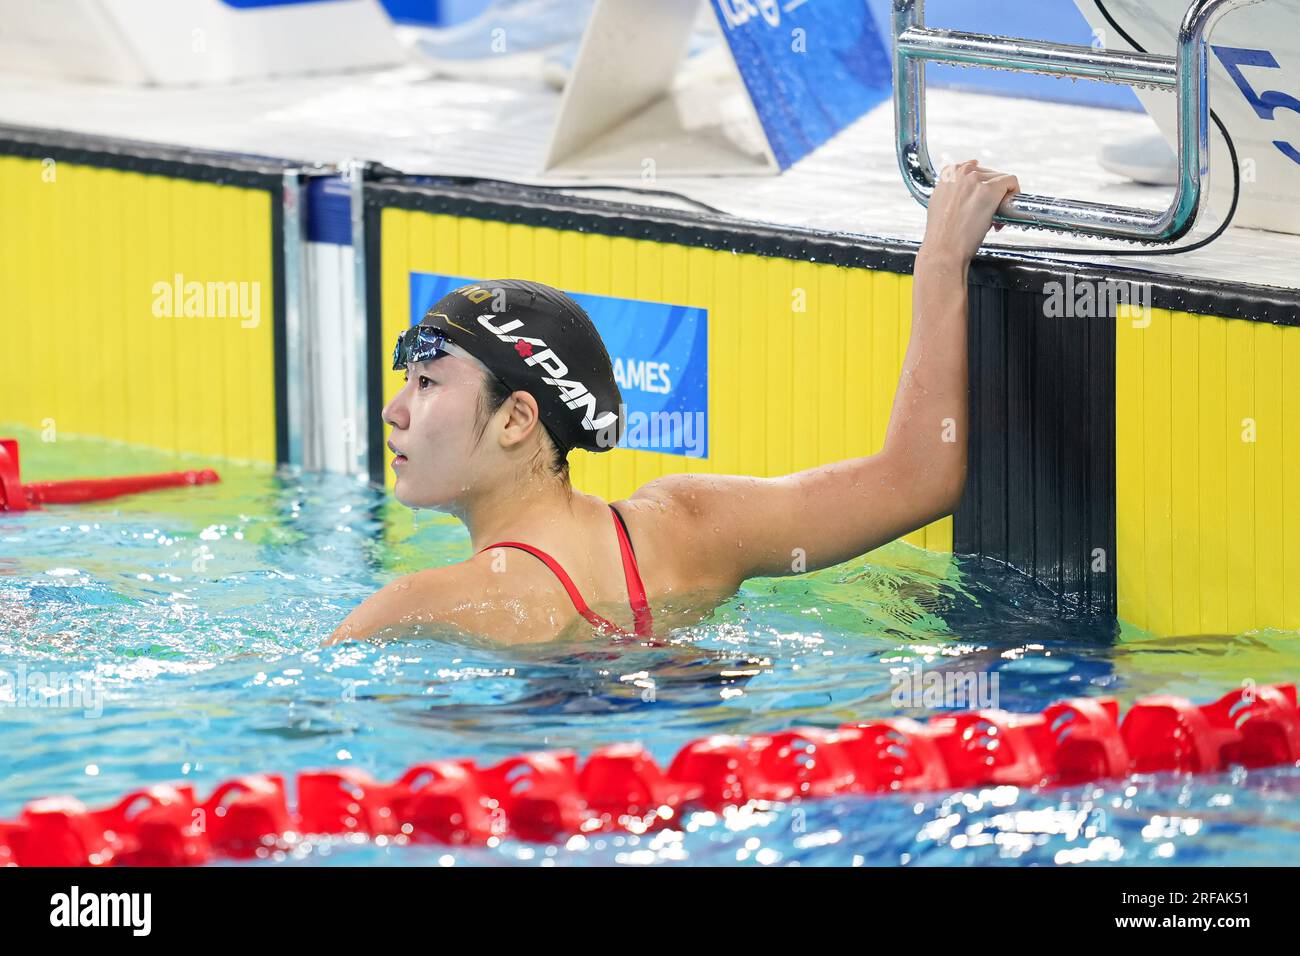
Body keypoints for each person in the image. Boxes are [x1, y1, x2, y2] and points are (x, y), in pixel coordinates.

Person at [326, 161, 1019, 646]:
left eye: (427, 382)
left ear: (516, 419)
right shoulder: (695, 526)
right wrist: (940, 261)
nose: (395, 409)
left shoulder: (415, 606)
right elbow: (919, 478)